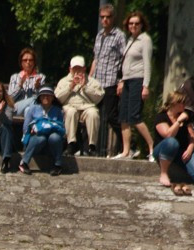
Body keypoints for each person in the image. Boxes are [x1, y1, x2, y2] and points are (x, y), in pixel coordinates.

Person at [152, 91, 194, 198]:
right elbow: (168, 135)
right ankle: (164, 173)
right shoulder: (161, 117)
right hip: (164, 150)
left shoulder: (186, 118)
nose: (184, 106)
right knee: (172, 142)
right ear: (174, 103)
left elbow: (192, 138)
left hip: (183, 150)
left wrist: (189, 149)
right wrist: (178, 121)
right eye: (182, 103)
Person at [112, 10, 154, 161]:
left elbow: (147, 64)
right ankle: (126, 151)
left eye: (136, 23)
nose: (133, 26)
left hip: (138, 80)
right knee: (123, 116)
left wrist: (146, 85)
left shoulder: (145, 40)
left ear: (142, 25)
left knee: (135, 117)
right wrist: (121, 81)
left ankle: (151, 148)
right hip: (127, 81)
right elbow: (125, 64)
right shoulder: (129, 40)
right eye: (131, 23)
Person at [90, 3, 126, 157]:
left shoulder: (119, 36)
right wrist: (89, 79)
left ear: (113, 18)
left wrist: (121, 80)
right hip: (97, 81)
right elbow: (95, 59)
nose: (104, 20)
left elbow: (124, 59)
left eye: (108, 17)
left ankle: (126, 145)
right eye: (102, 17)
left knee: (112, 116)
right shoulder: (99, 36)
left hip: (111, 80)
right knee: (92, 113)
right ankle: (89, 147)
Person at [55, 55, 104, 156]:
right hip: (70, 106)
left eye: (79, 68)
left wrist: (85, 87)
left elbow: (99, 97)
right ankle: (71, 144)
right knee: (71, 112)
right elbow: (58, 98)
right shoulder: (63, 81)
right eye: (74, 68)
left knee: (93, 113)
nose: (77, 71)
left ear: (84, 68)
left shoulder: (92, 81)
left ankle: (92, 146)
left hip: (87, 107)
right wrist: (70, 86)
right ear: (70, 69)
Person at [18, 86, 64, 176]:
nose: (46, 97)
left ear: (53, 98)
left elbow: (60, 127)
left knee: (55, 137)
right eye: (43, 95)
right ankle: (24, 162)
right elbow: (25, 128)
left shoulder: (58, 111)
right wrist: (31, 130)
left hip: (51, 142)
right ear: (39, 97)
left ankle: (58, 165)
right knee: (40, 138)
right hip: (36, 141)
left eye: (48, 95)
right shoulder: (32, 109)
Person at [8, 47, 45, 117]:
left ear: (34, 62)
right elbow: (10, 98)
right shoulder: (15, 77)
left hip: (33, 107)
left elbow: (43, 98)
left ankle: (26, 128)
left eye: (31, 60)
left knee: (29, 110)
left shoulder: (40, 77)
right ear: (21, 62)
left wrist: (38, 88)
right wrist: (20, 86)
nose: (28, 62)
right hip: (17, 107)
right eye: (25, 60)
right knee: (34, 99)